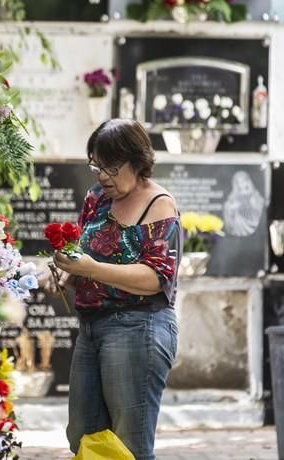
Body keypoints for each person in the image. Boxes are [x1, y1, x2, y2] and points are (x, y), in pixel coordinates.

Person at [52, 119, 181, 460]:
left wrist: (91, 269)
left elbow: (157, 278)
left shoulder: (159, 204)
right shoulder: (96, 198)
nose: (102, 176)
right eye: (96, 165)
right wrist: (70, 274)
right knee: (83, 434)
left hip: (138, 327)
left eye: (110, 167)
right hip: (92, 328)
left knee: (129, 445)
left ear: (137, 161)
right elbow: (87, 250)